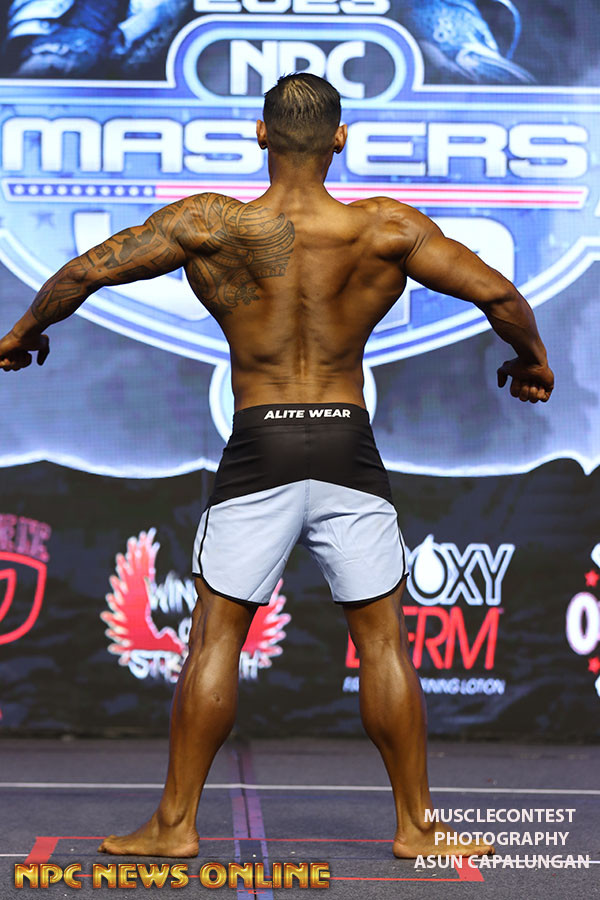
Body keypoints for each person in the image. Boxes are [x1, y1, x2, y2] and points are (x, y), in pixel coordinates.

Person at [0, 73, 554, 859]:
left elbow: (87, 271)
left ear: (260, 135)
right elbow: (500, 296)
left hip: (261, 442)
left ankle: (175, 826)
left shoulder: (208, 223)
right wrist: (532, 362)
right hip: (345, 442)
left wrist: (23, 332)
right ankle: (418, 826)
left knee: (215, 640)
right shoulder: (385, 228)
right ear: (340, 139)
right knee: (383, 643)